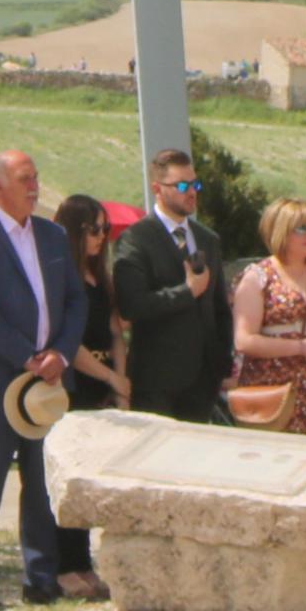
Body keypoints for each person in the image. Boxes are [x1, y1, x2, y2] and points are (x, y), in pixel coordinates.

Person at [0, 148, 81, 611]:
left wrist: (60, 353)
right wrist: (27, 356)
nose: (34, 186)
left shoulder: (53, 236)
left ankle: (41, 577)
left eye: (36, 177)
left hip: (46, 383)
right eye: (25, 178)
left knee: (41, 480)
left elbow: (75, 302)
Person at [109, 151, 227, 426]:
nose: (192, 192)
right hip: (157, 381)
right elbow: (132, 305)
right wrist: (186, 292)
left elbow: (220, 307)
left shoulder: (207, 240)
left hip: (203, 381)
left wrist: (222, 361)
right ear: (157, 189)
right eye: (182, 185)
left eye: (195, 184)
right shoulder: (136, 239)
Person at [46, 192, 119, 594]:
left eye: (106, 230)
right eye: (94, 230)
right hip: (77, 380)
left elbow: (113, 330)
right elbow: (68, 344)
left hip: (103, 379)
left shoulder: (99, 276)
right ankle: (63, 564)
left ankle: (83, 562)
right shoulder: (62, 276)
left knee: (90, 478)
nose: (101, 238)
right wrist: (111, 377)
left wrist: (120, 378)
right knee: (68, 478)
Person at [230, 198, 306, 438]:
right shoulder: (258, 278)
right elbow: (244, 340)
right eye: (301, 228)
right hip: (275, 393)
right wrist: (300, 347)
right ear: (280, 231)